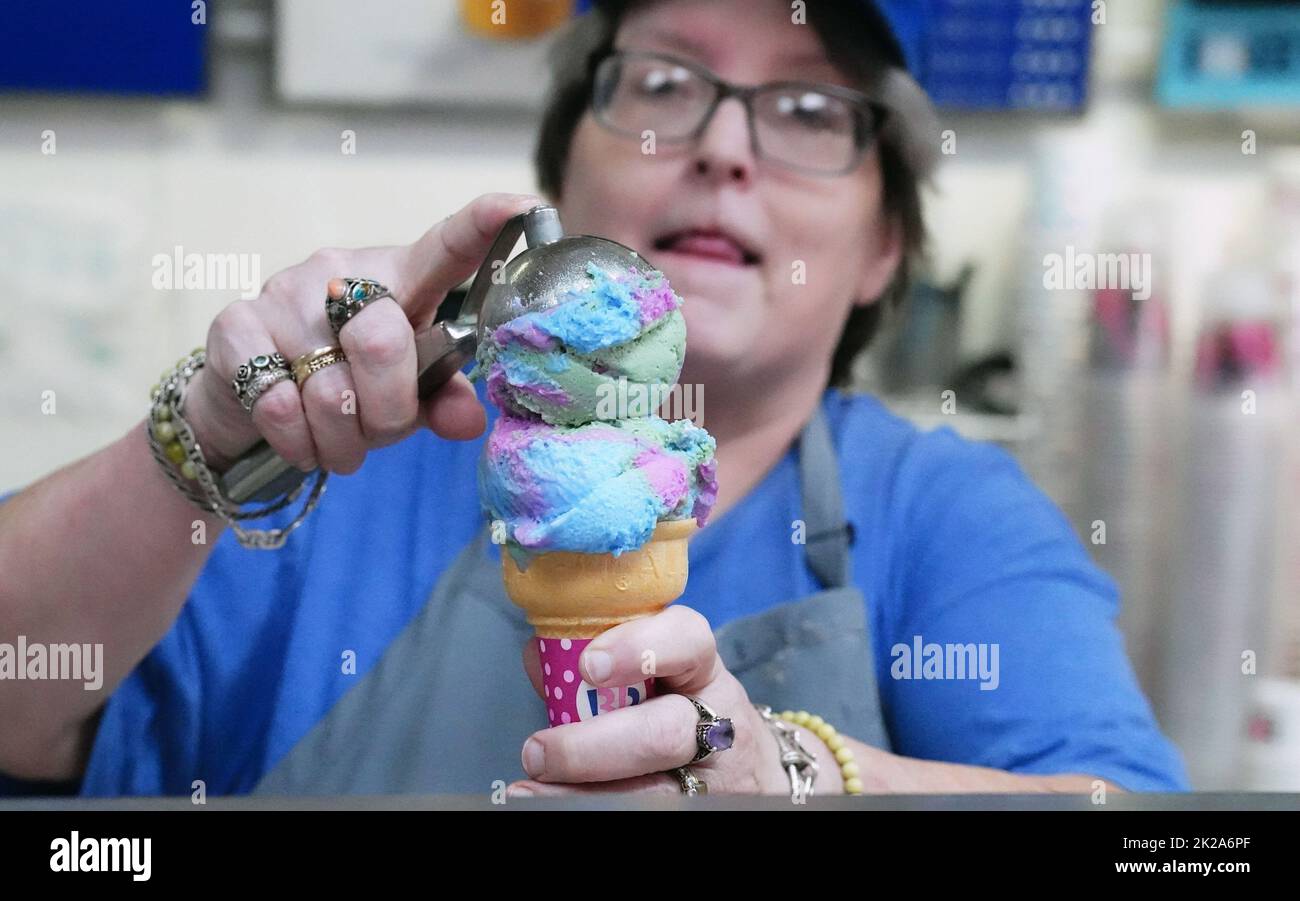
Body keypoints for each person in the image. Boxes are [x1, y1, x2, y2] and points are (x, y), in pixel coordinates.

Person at [0, 0, 1188, 799]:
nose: (724, 149)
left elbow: (1160, 843)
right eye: (665, 84)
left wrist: (799, 772)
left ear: (884, 249)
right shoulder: (337, 462)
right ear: (561, 178)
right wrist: (200, 443)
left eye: (811, 110)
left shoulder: (944, 514)